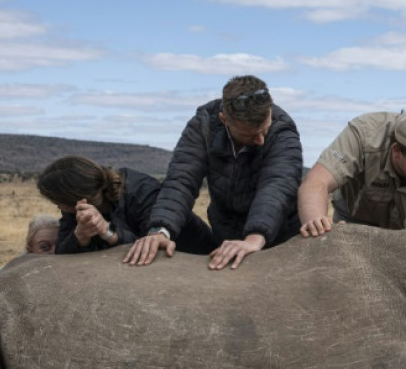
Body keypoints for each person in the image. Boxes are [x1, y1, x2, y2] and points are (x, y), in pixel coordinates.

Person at [124, 75, 302, 270]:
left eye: (264, 131)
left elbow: (277, 184)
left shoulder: (282, 130)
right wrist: (160, 231)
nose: (260, 140)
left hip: (279, 237)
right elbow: (181, 180)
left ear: (269, 109)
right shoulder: (204, 125)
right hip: (225, 234)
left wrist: (255, 238)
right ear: (224, 119)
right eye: (249, 135)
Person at [298, 108, 406, 242]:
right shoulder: (364, 135)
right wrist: (317, 228)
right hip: (356, 224)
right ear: (397, 151)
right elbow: (315, 183)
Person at [37, 155, 215, 255]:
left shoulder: (141, 192)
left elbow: (152, 246)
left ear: (79, 198)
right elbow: (62, 251)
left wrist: (108, 232)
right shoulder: (75, 209)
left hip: (194, 254)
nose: (59, 208)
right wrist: (79, 236)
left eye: (58, 202)